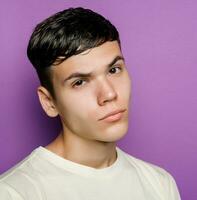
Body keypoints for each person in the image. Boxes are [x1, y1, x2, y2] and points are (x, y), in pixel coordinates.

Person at [0, 7, 181, 200]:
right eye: (80, 82)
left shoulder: (160, 184)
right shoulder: (14, 192)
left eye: (114, 70)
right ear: (49, 102)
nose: (110, 94)